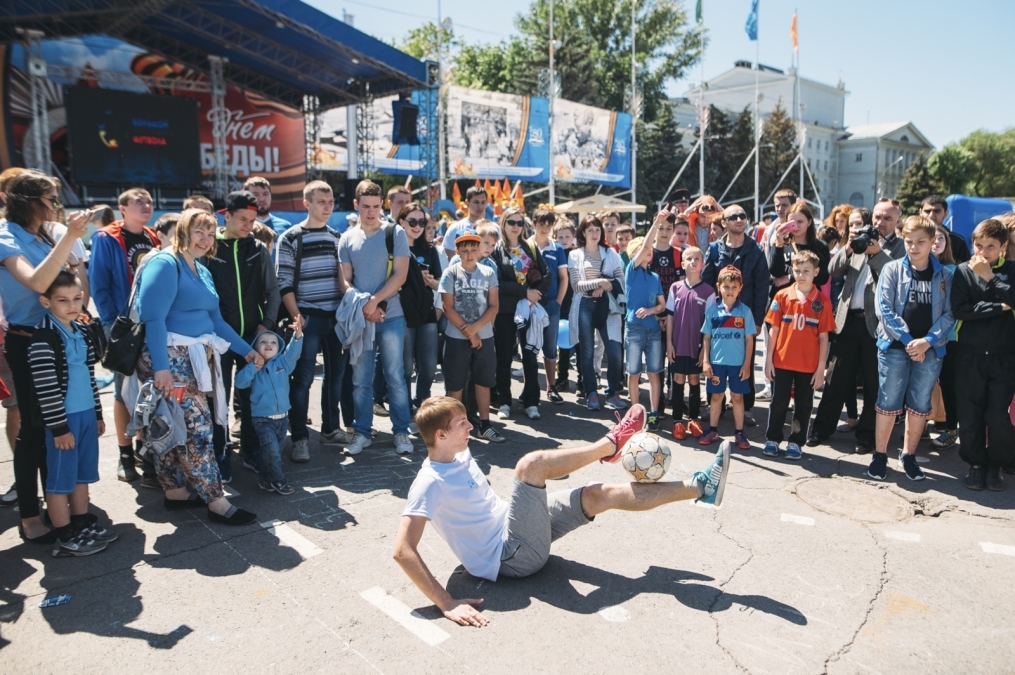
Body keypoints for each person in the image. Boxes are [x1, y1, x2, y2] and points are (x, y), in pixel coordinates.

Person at [392, 398, 731, 626]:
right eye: (462, 423)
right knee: (530, 466)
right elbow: (402, 550)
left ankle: (700, 487)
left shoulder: (458, 454)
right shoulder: (429, 482)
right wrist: (446, 601)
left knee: (599, 494)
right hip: (511, 556)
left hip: (516, 528)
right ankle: (609, 445)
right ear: (440, 435)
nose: (471, 427)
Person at [136, 209, 261, 525]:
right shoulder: (165, 263)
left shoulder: (200, 269)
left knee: (172, 426)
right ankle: (217, 502)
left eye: (210, 232)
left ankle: (176, 492)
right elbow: (153, 319)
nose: (205, 239)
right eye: (198, 232)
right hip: (168, 360)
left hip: (192, 358)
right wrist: (162, 369)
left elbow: (216, 321)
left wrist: (247, 351)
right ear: (183, 232)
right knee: (197, 429)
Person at [0, 171, 89, 543]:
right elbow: (36, 282)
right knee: (34, 431)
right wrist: (69, 236)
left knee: (58, 427)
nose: (58, 204)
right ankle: (29, 516)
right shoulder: (6, 235)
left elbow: (71, 282)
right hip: (27, 341)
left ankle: (60, 506)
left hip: (58, 337)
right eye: (51, 198)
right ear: (29, 201)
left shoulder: (43, 234)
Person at [807, 203, 906, 451]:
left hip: (878, 324)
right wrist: (850, 248)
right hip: (848, 319)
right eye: (878, 216)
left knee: (873, 383)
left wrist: (877, 254)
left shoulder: (901, 246)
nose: (881, 221)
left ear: (897, 220)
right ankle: (821, 429)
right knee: (836, 377)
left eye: (888, 218)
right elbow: (832, 269)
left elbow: (898, 278)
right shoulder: (861, 237)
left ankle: (866, 435)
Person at [30, 271, 115, 556]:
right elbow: (46, 389)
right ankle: (65, 534)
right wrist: (58, 428)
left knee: (81, 474)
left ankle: (80, 522)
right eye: (63, 300)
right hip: (64, 421)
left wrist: (98, 413)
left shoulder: (79, 330)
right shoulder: (43, 336)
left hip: (86, 415)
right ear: (46, 301)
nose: (72, 305)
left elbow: (89, 375)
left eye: (77, 298)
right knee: (60, 479)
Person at [869, 216, 954, 482]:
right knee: (888, 401)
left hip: (929, 349)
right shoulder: (892, 269)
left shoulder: (946, 275)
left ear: (933, 243)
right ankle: (880, 455)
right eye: (909, 242)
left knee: (919, 404)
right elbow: (884, 308)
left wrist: (927, 341)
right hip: (895, 346)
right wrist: (908, 341)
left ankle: (909, 455)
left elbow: (951, 314)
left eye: (920, 242)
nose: (914, 247)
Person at [204, 190, 280, 480]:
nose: (249, 225)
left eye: (253, 219)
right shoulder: (211, 248)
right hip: (218, 339)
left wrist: (267, 324)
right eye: (243, 219)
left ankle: (251, 451)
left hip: (252, 336)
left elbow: (272, 291)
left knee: (250, 397)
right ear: (226, 216)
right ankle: (220, 452)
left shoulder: (258, 249)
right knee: (218, 399)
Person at [89, 188, 160, 483]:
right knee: (122, 391)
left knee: (148, 390)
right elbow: (99, 285)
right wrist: (112, 326)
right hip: (122, 325)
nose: (146, 206)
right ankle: (125, 454)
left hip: (150, 323)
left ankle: (146, 449)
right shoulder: (107, 238)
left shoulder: (153, 237)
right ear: (122, 207)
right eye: (139, 202)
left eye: (149, 202)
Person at [277, 180, 351, 461]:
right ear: (306, 203)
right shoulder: (291, 237)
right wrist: (298, 317)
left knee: (336, 377)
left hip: (335, 319)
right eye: (322, 201)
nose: (328, 207)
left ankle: (331, 429)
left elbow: (344, 278)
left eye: (331, 201)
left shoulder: (337, 236)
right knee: (303, 379)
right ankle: (299, 438)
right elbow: (283, 282)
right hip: (306, 318)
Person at [339, 180, 414, 455]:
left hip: (392, 316)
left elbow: (401, 275)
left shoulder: (395, 233)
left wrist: (375, 301)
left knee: (395, 376)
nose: (371, 211)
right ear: (356, 205)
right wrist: (364, 306)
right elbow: (345, 282)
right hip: (361, 319)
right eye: (366, 206)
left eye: (376, 206)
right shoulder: (347, 238)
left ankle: (401, 432)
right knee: (361, 379)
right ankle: (362, 432)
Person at [950, 218, 1015, 491]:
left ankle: (996, 464)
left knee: (998, 415)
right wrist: (1000, 307)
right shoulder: (963, 271)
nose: (983, 252)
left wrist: (989, 279)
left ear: (1003, 246)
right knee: (970, 413)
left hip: (1004, 356)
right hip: (970, 354)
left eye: (990, 246)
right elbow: (960, 310)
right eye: (979, 245)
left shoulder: (1011, 270)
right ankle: (976, 464)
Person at [762, 251, 834, 460]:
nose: (801, 275)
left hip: (808, 364)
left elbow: (823, 337)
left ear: (816, 272)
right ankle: (773, 438)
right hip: (782, 361)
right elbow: (773, 330)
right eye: (797, 270)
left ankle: (796, 441)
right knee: (779, 402)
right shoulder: (782, 296)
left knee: (804, 404)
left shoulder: (822, 301)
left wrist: (821, 367)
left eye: (806, 271)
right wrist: (768, 360)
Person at [702, 205, 769, 425]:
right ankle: (716, 406)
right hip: (721, 316)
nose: (740, 219)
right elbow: (706, 281)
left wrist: (758, 320)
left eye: (743, 215)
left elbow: (762, 288)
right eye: (734, 216)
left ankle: (746, 409)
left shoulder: (756, 250)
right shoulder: (714, 249)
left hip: (746, 316)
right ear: (724, 222)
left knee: (744, 361)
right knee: (717, 360)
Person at [438, 233, 504, 443]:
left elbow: (494, 306)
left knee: (483, 381)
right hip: (457, 337)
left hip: (484, 335)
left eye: (473, 250)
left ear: (479, 250)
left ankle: (484, 424)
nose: (469, 255)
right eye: (464, 251)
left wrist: (476, 330)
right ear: (457, 251)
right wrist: (470, 333)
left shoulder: (488, 272)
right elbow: (447, 307)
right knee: (455, 385)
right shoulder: (450, 273)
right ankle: (452, 428)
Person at [490, 207, 551, 420]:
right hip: (506, 310)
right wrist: (525, 291)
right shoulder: (497, 250)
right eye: (511, 222)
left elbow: (547, 275)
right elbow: (498, 283)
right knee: (504, 358)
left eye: (519, 223)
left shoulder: (530, 247)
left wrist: (536, 294)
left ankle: (531, 402)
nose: (515, 227)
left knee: (530, 357)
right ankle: (504, 402)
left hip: (530, 310)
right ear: (503, 224)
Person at [234, 320, 303, 496]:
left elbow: (293, 353)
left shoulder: (283, 363)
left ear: (278, 346)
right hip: (262, 419)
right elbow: (240, 383)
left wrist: (297, 336)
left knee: (272, 452)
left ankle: (265, 480)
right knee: (272, 453)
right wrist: (252, 368)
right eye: (263, 342)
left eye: (273, 342)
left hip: (282, 417)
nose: (268, 345)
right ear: (255, 347)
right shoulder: (254, 368)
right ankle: (279, 481)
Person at [567, 215, 626, 411]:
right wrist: (599, 282)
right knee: (587, 352)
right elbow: (576, 285)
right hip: (584, 305)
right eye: (590, 230)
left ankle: (613, 392)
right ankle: (591, 392)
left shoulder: (610, 253)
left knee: (614, 353)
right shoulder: (575, 255)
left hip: (607, 307)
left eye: (597, 230)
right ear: (582, 233)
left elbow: (620, 279)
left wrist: (605, 286)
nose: (594, 234)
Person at [699, 266, 755, 449]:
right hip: (717, 363)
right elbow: (706, 337)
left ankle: (739, 432)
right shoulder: (712, 311)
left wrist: (747, 364)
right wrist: (706, 361)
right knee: (716, 396)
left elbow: (749, 340)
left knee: (737, 397)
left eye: (734, 287)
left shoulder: (745, 312)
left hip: (738, 364)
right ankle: (713, 430)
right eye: (726, 287)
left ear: (740, 288)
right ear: (718, 287)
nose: (730, 291)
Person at [666, 246, 711, 440]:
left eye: (697, 259)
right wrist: (669, 343)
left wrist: (704, 350)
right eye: (689, 259)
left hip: (696, 346)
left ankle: (693, 419)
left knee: (693, 380)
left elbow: (708, 324)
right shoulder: (675, 288)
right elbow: (670, 317)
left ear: (703, 264)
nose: (693, 262)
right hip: (678, 343)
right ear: (683, 264)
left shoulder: (709, 291)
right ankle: (677, 421)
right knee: (677, 379)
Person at [401, 202, 442, 412]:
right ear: (402, 222)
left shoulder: (430, 250)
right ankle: (405, 407)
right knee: (406, 368)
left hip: (426, 312)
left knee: (428, 367)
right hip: (402, 313)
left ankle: (423, 404)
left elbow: (440, 282)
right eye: (413, 221)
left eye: (422, 222)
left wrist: (430, 282)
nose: (418, 226)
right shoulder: (394, 247)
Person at [623, 232, 666, 428]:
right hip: (634, 329)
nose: (648, 251)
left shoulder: (655, 276)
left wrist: (651, 310)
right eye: (642, 249)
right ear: (634, 255)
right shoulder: (631, 271)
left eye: (650, 250)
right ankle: (635, 414)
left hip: (653, 330)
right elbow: (648, 243)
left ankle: (654, 414)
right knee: (633, 373)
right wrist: (656, 224)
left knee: (654, 373)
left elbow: (662, 306)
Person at [528, 209, 568, 404]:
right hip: (529, 303)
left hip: (551, 303)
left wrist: (558, 303)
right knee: (529, 348)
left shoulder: (557, 248)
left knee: (550, 348)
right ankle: (529, 388)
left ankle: (551, 387)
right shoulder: (526, 245)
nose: (545, 228)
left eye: (548, 224)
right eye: (541, 223)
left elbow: (564, 278)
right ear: (534, 223)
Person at [929, 225, 959, 450]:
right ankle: (918, 427)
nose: (937, 241)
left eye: (942, 238)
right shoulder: (914, 268)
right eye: (933, 238)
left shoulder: (954, 270)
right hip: (920, 337)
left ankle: (950, 428)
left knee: (948, 384)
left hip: (948, 338)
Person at [554, 219, 578, 391]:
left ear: (573, 237)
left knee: (581, 344)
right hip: (560, 303)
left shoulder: (577, 255)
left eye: (567, 236)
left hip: (576, 303)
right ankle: (562, 377)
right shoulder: (554, 254)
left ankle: (583, 380)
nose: (564, 240)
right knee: (562, 344)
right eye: (560, 237)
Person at [921, 195, 970, 264]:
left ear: (946, 213)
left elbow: (965, 269)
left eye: (937, 211)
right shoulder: (912, 238)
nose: (931, 215)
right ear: (920, 212)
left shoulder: (957, 241)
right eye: (927, 211)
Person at [443, 187, 488, 256]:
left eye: (483, 202)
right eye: (476, 202)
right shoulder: (454, 229)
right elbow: (449, 260)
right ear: (467, 203)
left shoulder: (494, 229)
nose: (480, 206)